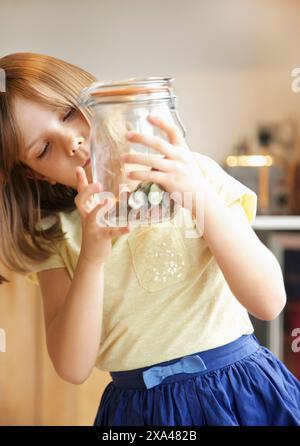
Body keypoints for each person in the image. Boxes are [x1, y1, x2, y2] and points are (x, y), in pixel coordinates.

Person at [0, 52, 299, 427]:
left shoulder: (196, 174)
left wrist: (196, 193)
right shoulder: (56, 232)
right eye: (43, 149)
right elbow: (72, 366)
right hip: (138, 415)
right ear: (35, 175)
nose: (73, 143)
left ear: (98, 100)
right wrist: (92, 255)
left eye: (68, 113)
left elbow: (269, 302)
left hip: (240, 392)